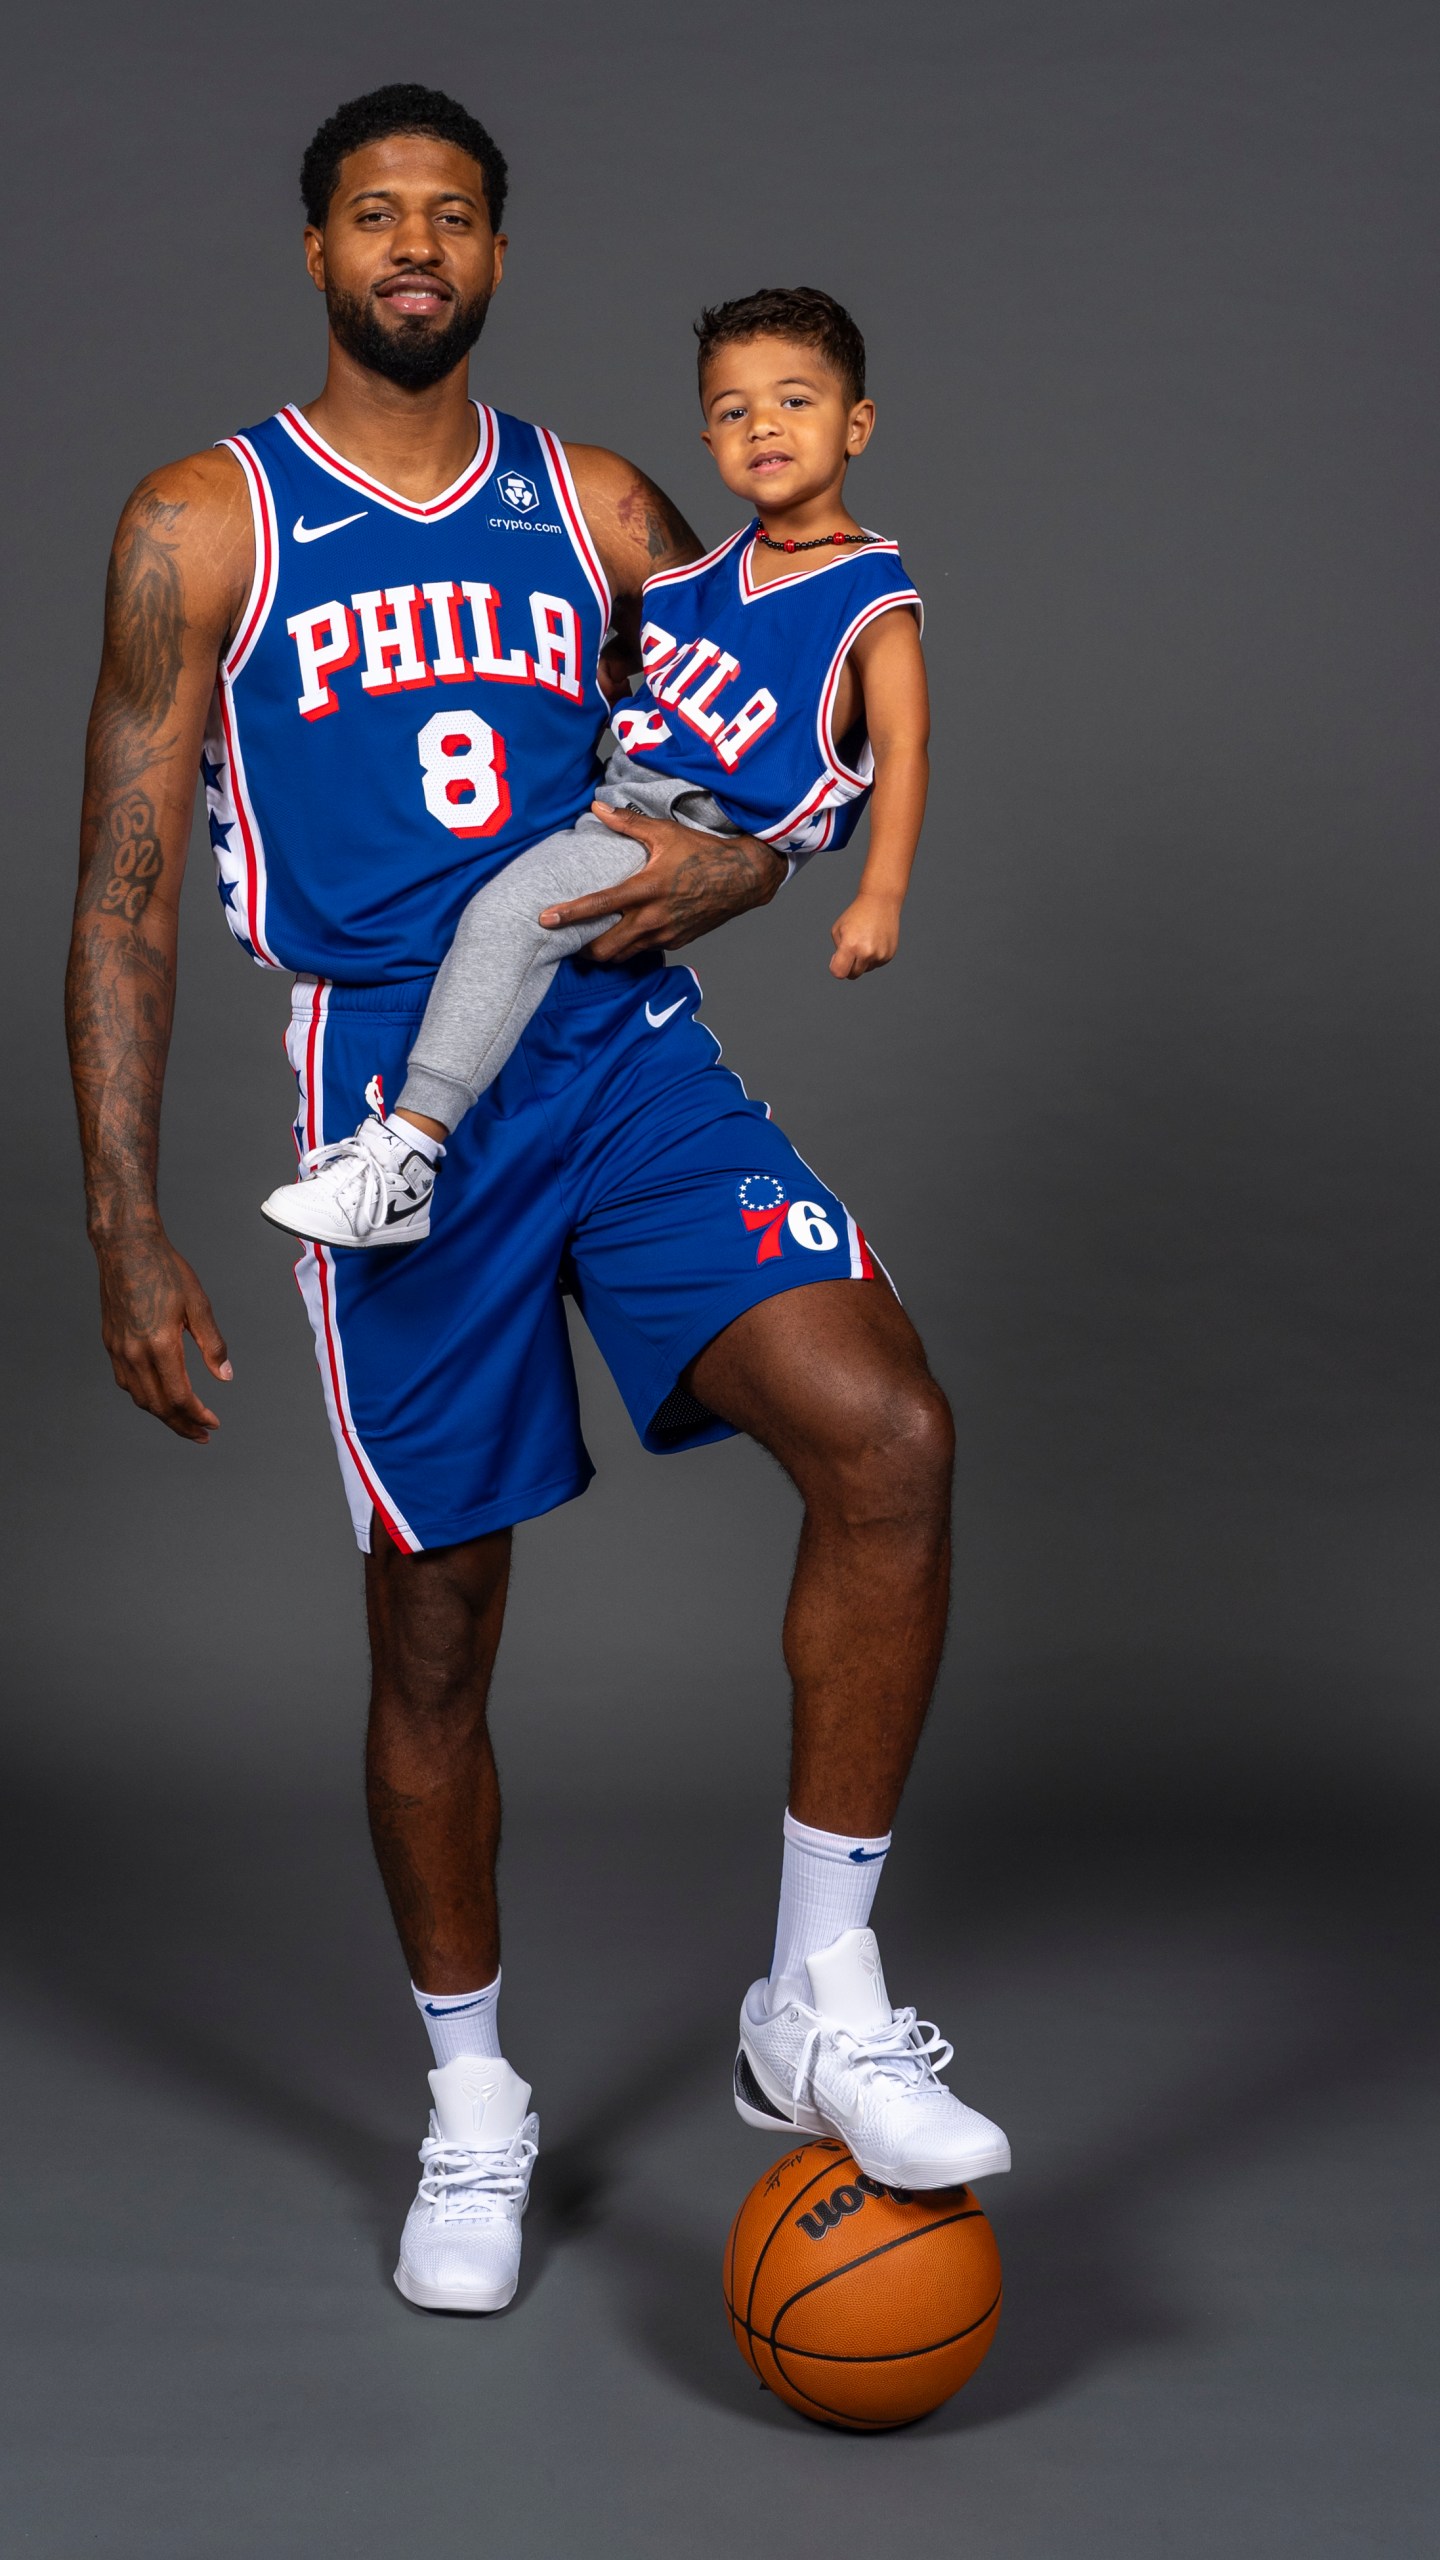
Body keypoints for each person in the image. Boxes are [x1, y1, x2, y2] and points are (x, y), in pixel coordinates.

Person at [64, 82, 1009, 2320]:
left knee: (887, 1433)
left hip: (623, 1052)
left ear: (499, 255)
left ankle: (818, 1992)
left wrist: (762, 866)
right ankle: (475, 2102)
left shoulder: (598, 501)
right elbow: (119, 888)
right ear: (317, 251)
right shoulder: (205, 519)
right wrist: (119, 1216)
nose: (418, 245)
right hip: (396, 1076)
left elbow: (734, 752)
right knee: (440, 1619)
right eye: (378, 215)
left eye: (456, 216)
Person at [258, 285, 930, 1251]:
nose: (763, 425)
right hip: (616, 799)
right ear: (708, 441)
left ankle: (403, 1156)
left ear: (856, 424)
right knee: (500, 917)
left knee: (506, 916)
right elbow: (637, 678)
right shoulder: (699, 575)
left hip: (684, 829)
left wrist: (881, 895)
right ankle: (420, 1148)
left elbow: (904, 746)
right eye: (733, 410)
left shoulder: (871, 593)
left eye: (795, 400)